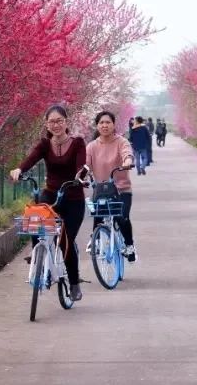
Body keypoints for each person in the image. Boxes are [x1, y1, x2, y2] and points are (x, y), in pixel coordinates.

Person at [10, 105, 88, 301]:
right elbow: (30, 159)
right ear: (47, 124)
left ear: (66, 122)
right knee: (36, 219)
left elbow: (81, 165)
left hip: (73, 198)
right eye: (52, 121)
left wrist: (80, 177)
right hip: (51, 194)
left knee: (65, 241)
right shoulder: (44, 145)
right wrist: (19, 170)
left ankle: (74, 283)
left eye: (59, 121)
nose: (56, 125)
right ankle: (38, 253)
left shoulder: (78, 143)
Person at [85, 111, 138, 262]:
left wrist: (127, 161)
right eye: (101, 122)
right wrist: (80, 174)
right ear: (97, 125)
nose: (104, 125)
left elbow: (127, 152)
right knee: (98, 217)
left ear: (114, 124)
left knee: (122, 218)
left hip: (121, 189)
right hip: (101, 190)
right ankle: (95, 239)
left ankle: (129, 246)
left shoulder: (121, 141)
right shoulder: (91, 146)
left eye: (108, 122)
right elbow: (86, 165)